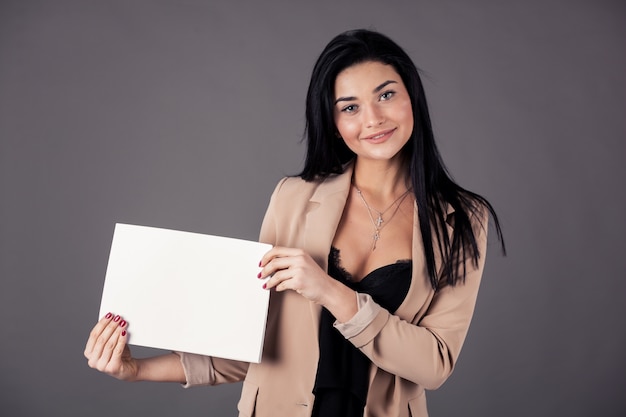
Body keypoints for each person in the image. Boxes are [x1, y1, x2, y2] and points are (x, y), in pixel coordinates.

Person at [84, 29, 504, 417]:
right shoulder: (294, 197)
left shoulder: (462, 219)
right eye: (351, 107)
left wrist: (330, 291)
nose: (372, 118)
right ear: (336, 125)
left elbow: (434, 364)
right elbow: (257, 343)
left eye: (386, 95)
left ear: (412, 97)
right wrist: (136, 369)